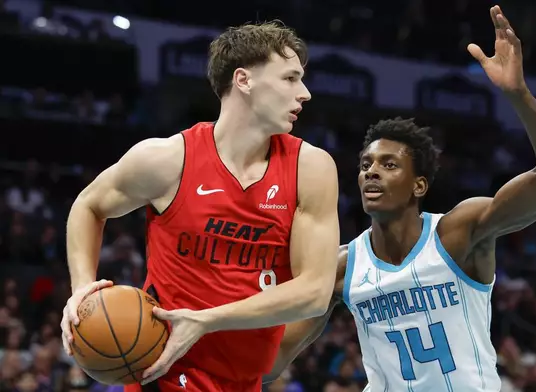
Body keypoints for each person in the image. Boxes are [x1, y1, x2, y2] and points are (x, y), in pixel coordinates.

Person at [264, 6, 536, 391]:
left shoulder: (459, 233)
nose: (371, 172)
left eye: (389, 164)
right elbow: (272, 362)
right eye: (366, 164)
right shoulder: (343, 267)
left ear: (418, 185)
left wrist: (519, 95)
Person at [61, 22, 341, 391]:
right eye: (290, 78)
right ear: (244, 80)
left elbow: (314, 293)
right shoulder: (167, 160)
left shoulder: (311, 168)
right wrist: (82, 289)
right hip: (163, 374)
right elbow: (88, 205)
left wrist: (206, 320)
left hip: (245, 380)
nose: (304, 93)